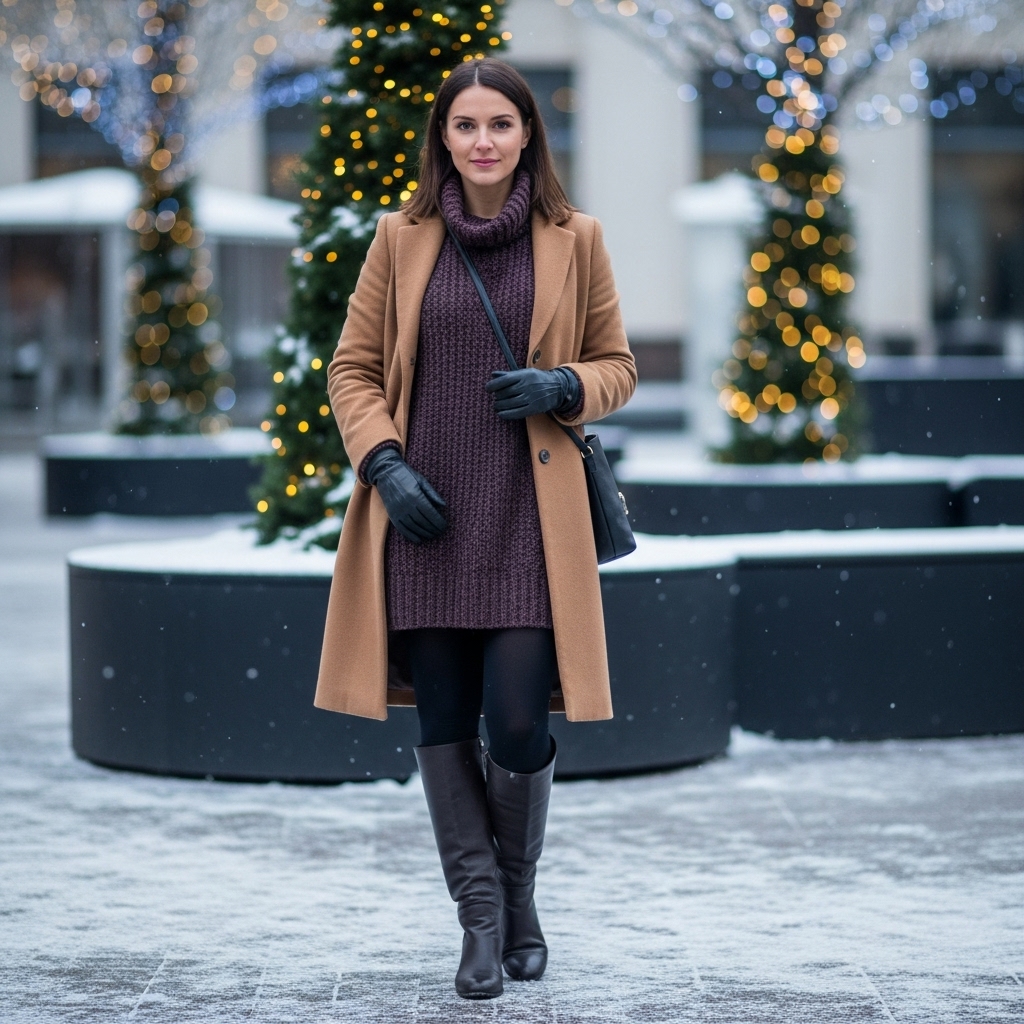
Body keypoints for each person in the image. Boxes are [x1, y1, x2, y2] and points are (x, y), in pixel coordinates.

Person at [315, 57, 636, 998]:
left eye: (501, 124)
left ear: (528, 133)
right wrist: (382, 463)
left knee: (518, 721)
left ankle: (520, 895)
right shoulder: (400, 239)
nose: (484, 141)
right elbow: (352, 370)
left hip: (530, 523)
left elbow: (617, 362)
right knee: (448, 722)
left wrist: (567, 385)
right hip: (423, 519)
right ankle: (483, 924)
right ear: (443, 141)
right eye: (466, 127)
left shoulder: (576, 239)